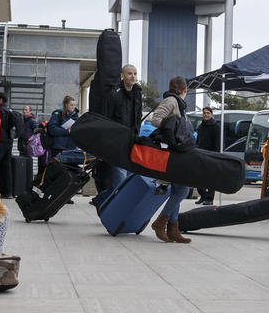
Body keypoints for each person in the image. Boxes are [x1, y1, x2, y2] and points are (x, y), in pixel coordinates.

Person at [148, 76, 193, 243]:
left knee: (177, 191)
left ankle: (173, 229)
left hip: (176, 152)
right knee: (183, 190)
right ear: (185, 90)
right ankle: (161, 222)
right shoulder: (171, 101)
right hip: (170, 153)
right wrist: (172, 129)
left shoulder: (179, 105)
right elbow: (155, 120)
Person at [93, 64, 144, 205]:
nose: (133, 76)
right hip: (117, 142)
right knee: (121, 178)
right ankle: (117, 209)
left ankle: (101, 201)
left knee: (128, 179)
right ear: (122, 75)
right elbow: (107, 119)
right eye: (129, 73)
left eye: (135, 73)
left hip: (132, 141)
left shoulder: (138, 93)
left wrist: (136, 133)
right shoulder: (114, 94)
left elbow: (138, 116)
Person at [0, 92, 22, 198]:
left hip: (0, 140)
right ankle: (8, 192)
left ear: (1, 100)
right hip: (9, 140)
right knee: (7, 166)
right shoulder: (10, 110)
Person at [194, 107, 220, 204]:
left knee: (210, 178)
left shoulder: (216, 127)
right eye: (204, 113)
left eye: (208, 113)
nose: (205, 114)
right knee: (198, 178)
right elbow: (198, 141)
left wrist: (215, 156)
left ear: (211, 114)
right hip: (200, 155)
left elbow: (217, 144)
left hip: (211, 156)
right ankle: (203, 196)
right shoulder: (201, 126)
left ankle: (210, 199)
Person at [47, 95, 83, 165]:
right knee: (57, 170)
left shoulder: (76, 117)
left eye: (74, 105)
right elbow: (52, 129)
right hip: (58, 148)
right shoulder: (57, 115)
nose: (73, 107)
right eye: (71, 105)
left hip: (71, 149)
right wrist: (67, 131)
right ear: (66, 105)